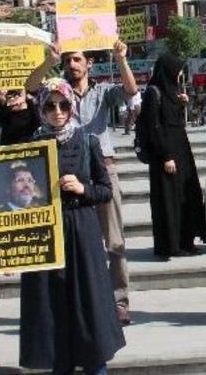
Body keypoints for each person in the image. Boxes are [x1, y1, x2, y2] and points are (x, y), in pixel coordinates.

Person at [26, 40, 137, 325]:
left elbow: (130, 91)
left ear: (88, 63)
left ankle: (119, 302)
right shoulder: (56, 91)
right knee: (77, 244)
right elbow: (30, 87)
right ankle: (84, 302)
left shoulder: (101, 91)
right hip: (65, 172)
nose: (71, 65)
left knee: (114, 241)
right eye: (67, 61)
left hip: (101, 169)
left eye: (77, 59)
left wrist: (121, 58)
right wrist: (49, 61)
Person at [20, 77, 125, 375]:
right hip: (46, 234)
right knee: (52, 308)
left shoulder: (87, 141)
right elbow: (14, 197)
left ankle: (95, 367)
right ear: (41, 108)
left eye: (64, 105)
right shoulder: (31, 146)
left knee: (89, 304)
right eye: (50, 105)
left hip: (82, 231)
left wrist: (82, 188)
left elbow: (105, 190)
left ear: (72, 106)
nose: (57, 111)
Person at [141, 54, 206, 260]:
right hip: (165, 155)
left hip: (182, 151)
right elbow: (154, 126)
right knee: (169, 200)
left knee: (187, 196)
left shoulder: (173, 92)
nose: (179, 73)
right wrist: (166, 155)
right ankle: (170, 244)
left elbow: (172, 120)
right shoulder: (153, 93)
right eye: (177, 69)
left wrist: (181, 105)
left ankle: (187, 240)